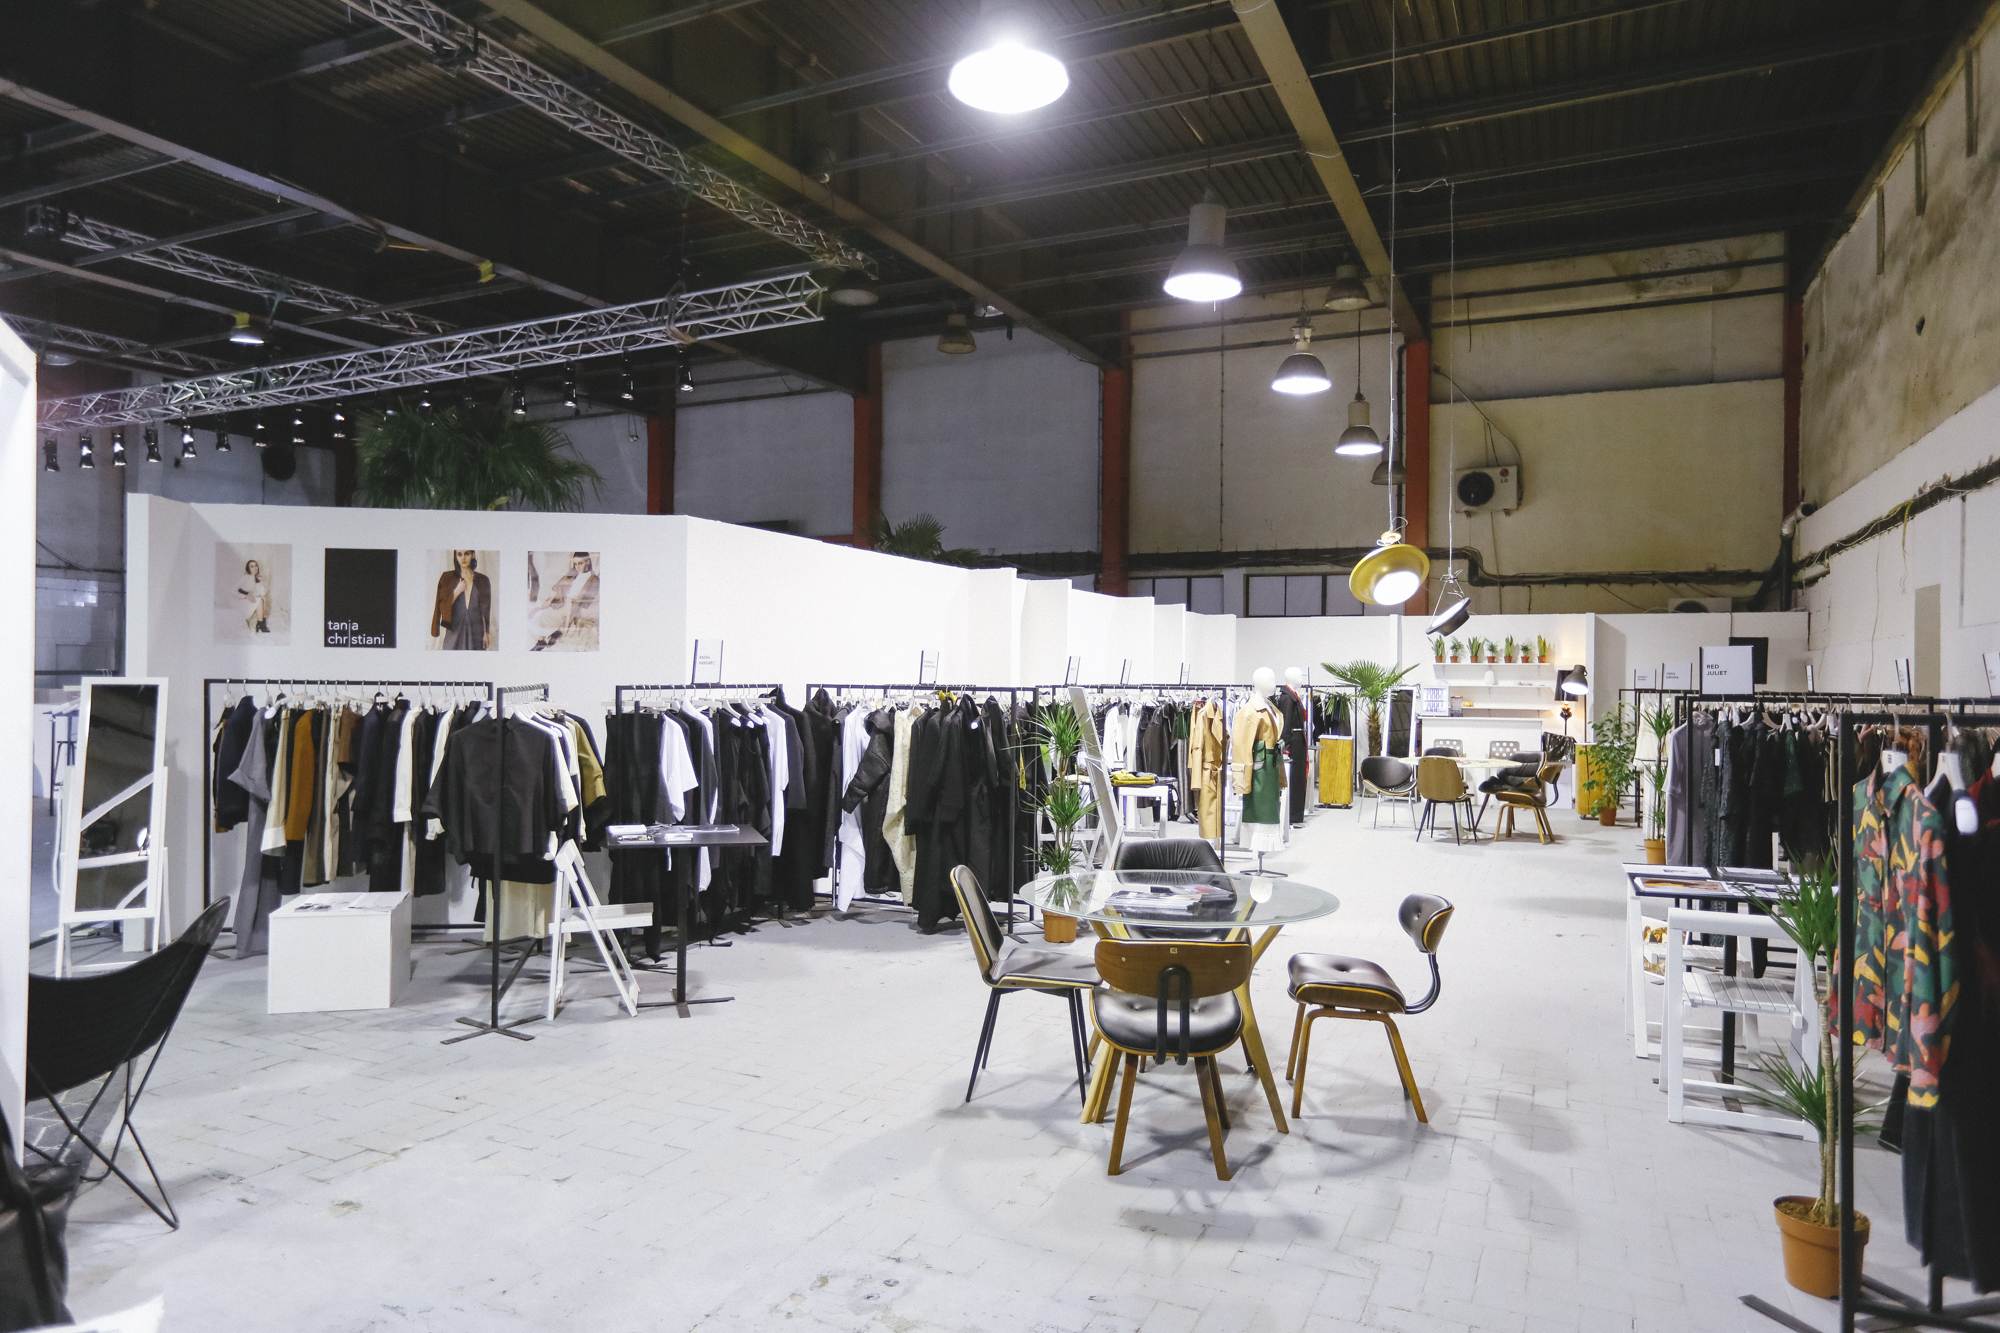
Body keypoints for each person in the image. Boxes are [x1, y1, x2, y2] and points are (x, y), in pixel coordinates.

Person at [530, 551, 598, 650]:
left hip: (574, 606)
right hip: (562, 601)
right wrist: (550, 600)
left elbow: (589, 601)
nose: (577, 567)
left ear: (587, 562)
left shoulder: (594, 580)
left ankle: (553, 635)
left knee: (549, 617)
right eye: (575, 564)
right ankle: (542, 641)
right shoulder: (573, 573)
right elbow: (559, 588)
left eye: (580, 563)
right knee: (542, 613)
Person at [431, 549, 492, 650]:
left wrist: (486, 633)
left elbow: (486, 609)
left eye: (467, 554)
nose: (463, 558)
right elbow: (441, 606)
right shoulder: (447, 578)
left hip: (476, 632)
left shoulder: (483, 580)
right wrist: (457, 591)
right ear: (456, 557)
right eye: (459, 554)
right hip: (454, 630)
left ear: (473, 555)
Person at [236, 558, 270, 634]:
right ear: (248, 568)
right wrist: (246, 597)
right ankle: (261, 624)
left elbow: (262, 593)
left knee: (263, 598)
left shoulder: (256, 578)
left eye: (256, 565)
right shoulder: (245, 577)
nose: (255, 568)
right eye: (252, 566)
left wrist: (260, 581)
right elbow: (233, 591)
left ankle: (260, 624)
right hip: (240, 601)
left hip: (248, 601)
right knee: (260, 600)